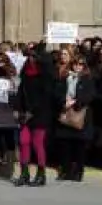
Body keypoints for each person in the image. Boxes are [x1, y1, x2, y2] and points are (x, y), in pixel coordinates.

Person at [14, 44, 55, 187]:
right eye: (29, 56)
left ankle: (41, 174)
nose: (31, 59)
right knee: (23, 141)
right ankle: (24, 173)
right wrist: (17, 109)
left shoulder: (46, 75)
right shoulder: (25, 73)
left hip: (40, 114)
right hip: (25, 113)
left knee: (37, 143)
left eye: (34, 56)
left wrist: (32, 111)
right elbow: (20, 93)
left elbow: (45, 97)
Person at [53, 54, 94, 182]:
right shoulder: (65, 77)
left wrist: (76, 102)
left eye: (81, 64)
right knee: (65, 145)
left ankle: (78, 171)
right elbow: (56, 93)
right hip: (65, 112)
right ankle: (65, 170)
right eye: (75, 64)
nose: (77, 66)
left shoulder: (88, 79)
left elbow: (90, 95)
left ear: (84, 66)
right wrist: (63, 101)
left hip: (80, 115)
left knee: (79, 146)